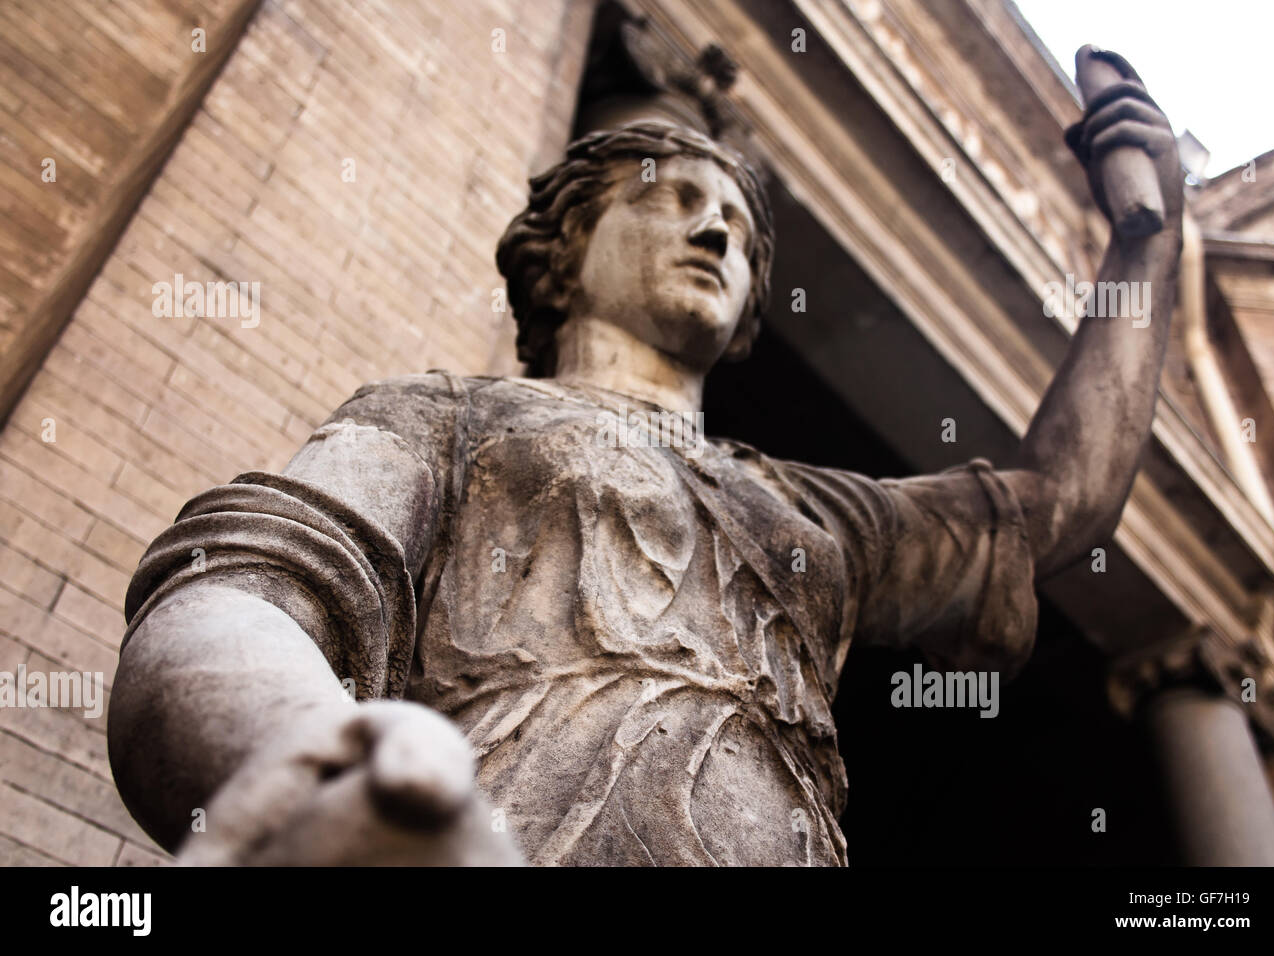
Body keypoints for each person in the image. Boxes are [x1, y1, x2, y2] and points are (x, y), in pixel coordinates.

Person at [108, 53, 1185, 865]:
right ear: (566, 244)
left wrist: (1146, 246)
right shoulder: (444, 415)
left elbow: (1056, 506)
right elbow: (238, 595)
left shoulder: (814, 514)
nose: (714, 232)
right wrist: (337, 775)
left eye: (735, 225)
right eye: (669, 197)